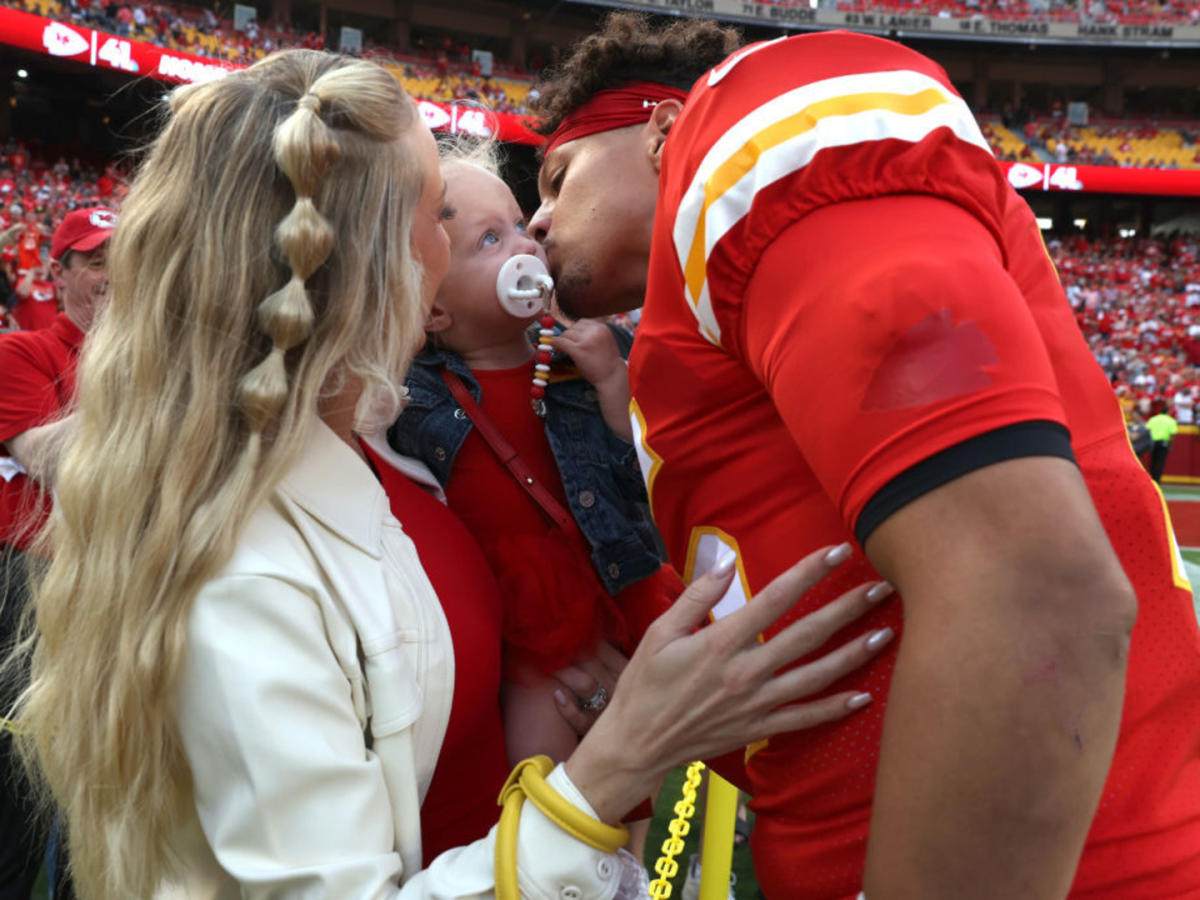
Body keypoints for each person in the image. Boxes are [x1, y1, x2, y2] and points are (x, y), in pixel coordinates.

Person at [8, 49, 894, 899]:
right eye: (440, 212)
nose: (528, 241)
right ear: (364, 258)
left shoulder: (378, 441)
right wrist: (622, 753)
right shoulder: (247, 573)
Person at [527, 13, 1200, 899]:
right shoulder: (695, 315)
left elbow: (1032, 591)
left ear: (659, 126)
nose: (537, 220)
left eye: (557, 177)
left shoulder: (750, 125)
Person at [389, 145, 680, 768]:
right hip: (498, 618)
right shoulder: (412, 394)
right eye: (489, 240)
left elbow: (646, 489)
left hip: (602, 591)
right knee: (534, 755)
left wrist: (615, 390)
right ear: (433, 307)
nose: (525, 245)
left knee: (629, 779)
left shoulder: (584, 363)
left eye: (520, 225)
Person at [0, 205, 111, 900]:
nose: (115, 275)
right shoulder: (22, 352)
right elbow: (49, 456)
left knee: (101, 777)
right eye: (96, 260)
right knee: (20, 771)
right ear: (59, 273)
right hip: (32, 578)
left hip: (120, 577)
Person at [1146, 403, 1178, 482]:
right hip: (1164, 442)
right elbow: (1172, 434)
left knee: (1153, 460)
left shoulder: (1153, 419)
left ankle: (1151, 478)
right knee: (1160, 461)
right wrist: (1170, 444)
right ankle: (1157, 479)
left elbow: (1147, 430)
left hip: (1152, 442)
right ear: (1168, 412)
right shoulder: (1171, 420)